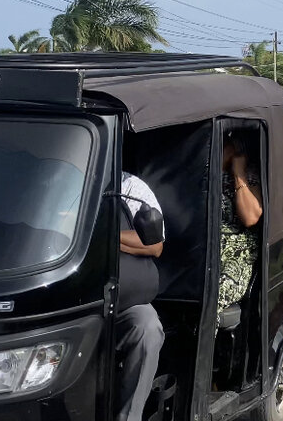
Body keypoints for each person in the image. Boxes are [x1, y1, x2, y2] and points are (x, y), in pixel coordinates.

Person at [116, 172, 166, 421]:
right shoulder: (54, 179)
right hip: (69, 300)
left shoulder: (129, 187)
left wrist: (105, 236)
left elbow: (155, 245)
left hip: (121, 303)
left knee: (148, 328)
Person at [219, 131, 263, 312]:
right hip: (204, 250)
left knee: (215, 291)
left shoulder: (247, 175)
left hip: (237, 254)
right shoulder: (201, 173)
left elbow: (251, 217)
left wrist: (238, 173)